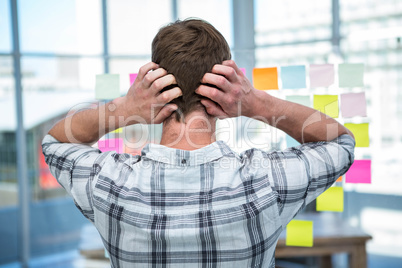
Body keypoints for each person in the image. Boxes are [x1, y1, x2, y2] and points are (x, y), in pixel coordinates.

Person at [42, 19, 355, 268]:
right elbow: (340, 142)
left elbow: (55, 143)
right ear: (226, 83)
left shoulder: (108, 184)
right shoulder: (267, 181)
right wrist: (257, 103)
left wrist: (125, 109)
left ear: (153, 83)